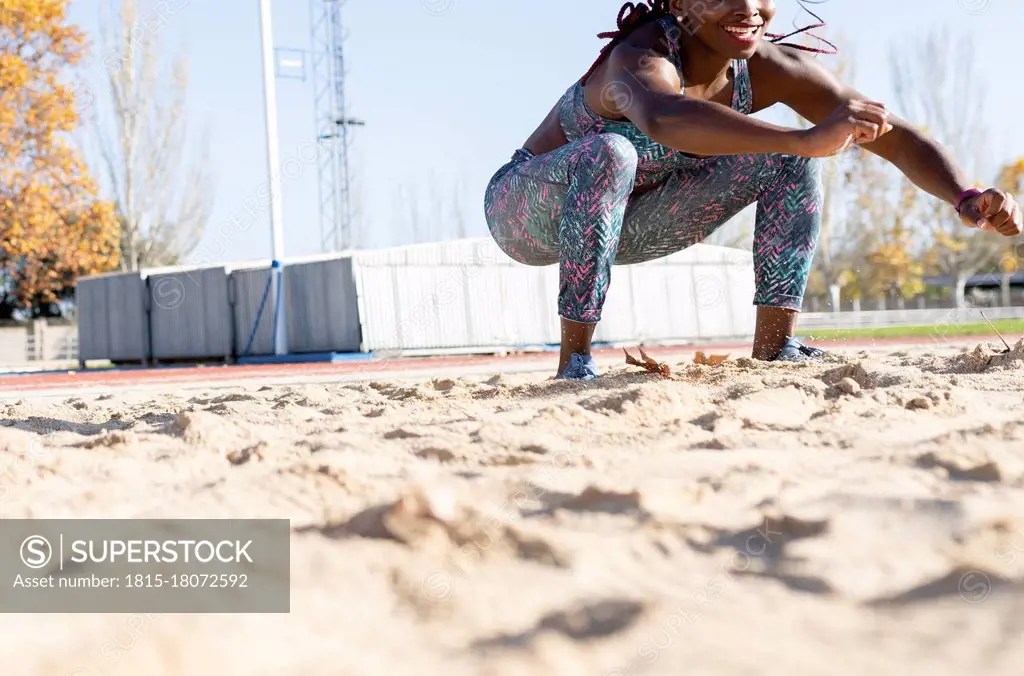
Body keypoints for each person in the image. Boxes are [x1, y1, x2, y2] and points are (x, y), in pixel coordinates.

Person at [483, 0, 1023, 380]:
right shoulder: (638, 59)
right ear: (679, 3)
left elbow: (893, 136)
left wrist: (965, 196)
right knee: (612, 152)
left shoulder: (768, 67)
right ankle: (575, 360)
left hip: (633, 223)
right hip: (529, 214)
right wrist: (809, 137)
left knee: (785, 157)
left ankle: (775, 346)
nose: (746, 8)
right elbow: (667, 119)